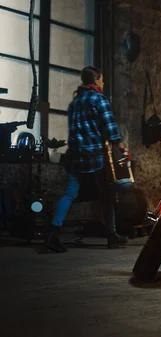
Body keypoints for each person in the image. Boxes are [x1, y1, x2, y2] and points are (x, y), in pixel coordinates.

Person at [45, 66, 130, 253]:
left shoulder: (74, 103)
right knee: (107, 194)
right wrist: (120, 145)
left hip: (75, 156)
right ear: (96, 80)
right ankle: (112, 235)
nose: (103, 83)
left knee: (69, 194)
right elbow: (109, 127)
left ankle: (53, 234)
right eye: (102, 79)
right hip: (94, 157)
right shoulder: (98, 99)